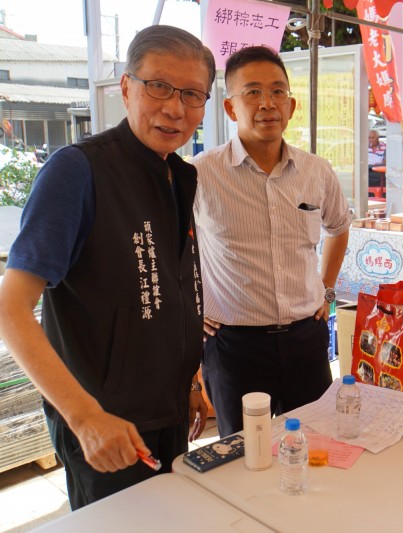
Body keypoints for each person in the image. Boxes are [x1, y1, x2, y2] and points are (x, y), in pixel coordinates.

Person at [0, 25, 214, 509]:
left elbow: (169, 289)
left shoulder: (178, 174)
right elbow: (10, 308)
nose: (174, 108)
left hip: (169, 410)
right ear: (125, 87)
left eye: (191, 94)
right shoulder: (77, 170)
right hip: (106, 422)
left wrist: (190, 381)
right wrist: (83, 417)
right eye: (158, 86)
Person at [192, 46, 352, 438]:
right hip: (234, 346)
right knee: (243, 455)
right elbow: (172, 245)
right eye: (253, 92)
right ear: (231, 108)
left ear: (292, 105)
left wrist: (327, 291)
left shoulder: (316, 171)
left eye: (278, 92)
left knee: (315, 443)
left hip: (306, 338)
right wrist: (191, 309)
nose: (268, 104)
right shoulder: (200, 173)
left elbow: (339, 227)